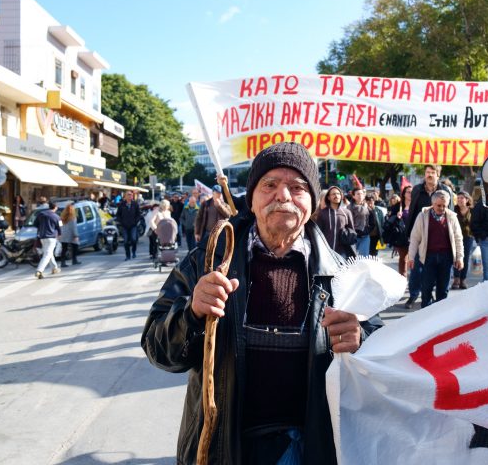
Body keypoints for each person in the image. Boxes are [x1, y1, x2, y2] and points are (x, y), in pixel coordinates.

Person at [141, 141, 382, 464]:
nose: (283, 195)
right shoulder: (209, 262)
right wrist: (192, 313)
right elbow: (158, 350)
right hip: (226, 449)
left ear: (312, 203)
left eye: (297, 188)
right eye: (270, 185)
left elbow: (386, 355)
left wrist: (361, 340)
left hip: (311, 447)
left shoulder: (342, 274)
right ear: (251, 200)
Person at [405, 165, 454, 308]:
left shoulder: (446, 191)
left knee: (437, 276)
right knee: (416, 269)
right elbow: (413, 211)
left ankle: (437, 302)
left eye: (433, 173)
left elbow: (451, 216)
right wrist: (410, 235)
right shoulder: (417, 190)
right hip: (420, 236)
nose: (430, 175)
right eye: (427, 172)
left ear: (438, 175)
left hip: (439, 240)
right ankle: (413, 295)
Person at [407, 191, 463, 308]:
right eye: (439, 205)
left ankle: (440, 316)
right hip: (428, 257)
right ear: (432, 203)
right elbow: (415, 238)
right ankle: (426, 316)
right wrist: (411, 257)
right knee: (426, 289)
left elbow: (458, 238)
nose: (442, 208)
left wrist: (460, 257)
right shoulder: (422, 216)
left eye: (444, 205)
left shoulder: (452, 217)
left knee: (443, 290)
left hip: (446, 257)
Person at [315, 185, 356, 258]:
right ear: (328, 197)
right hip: (326, 251)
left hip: (342, 252)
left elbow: (352, 231)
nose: (336, 196)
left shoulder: (347, 212)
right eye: (333, 194)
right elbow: (318, 233)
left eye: (338, 194)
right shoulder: (322, 213)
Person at [452, 191, 475, 289]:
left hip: (468, 237)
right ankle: (456, 278)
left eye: (462, 198)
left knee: (465, 258)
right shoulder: (454, 210)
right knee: (456, 256)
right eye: (458, 198)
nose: (460, 200)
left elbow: (476, 223)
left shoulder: (472, 211)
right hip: (455, 237)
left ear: (467, 199)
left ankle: (463, 279)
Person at [34, 201, 61, 279]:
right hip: (51, 237)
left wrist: (41, 228)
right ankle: (39, 271)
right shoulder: (56, 216)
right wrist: (59, 235)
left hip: (42, 237)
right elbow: (59, 227)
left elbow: (35, 224)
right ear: (55, 207)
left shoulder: (41, 214)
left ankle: (54, 268)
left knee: (49, 253)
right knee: (47, 254)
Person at [116, 190, 142, 261]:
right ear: (125, 196)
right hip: (124, 226)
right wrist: (120, 222)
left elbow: (138, 214)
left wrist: (136, 221)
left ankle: (133, 251)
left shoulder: (135, 204)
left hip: (133, 225)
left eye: (131, 195)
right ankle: (128, 255)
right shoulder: (121, 204)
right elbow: (118, 215)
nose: (130, 196)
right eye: (128, 194)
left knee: (133, 239)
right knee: (126, 241)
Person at [348, 187, 371, 256]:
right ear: (353, 196)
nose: (360, 195)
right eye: (358, 194)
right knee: (352, 258)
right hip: (353, 236)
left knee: (364, 257)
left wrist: (368, 230)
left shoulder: (368, 206)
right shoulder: (349, 207)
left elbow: (372, 221)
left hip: (365, 236)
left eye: (361, 194)